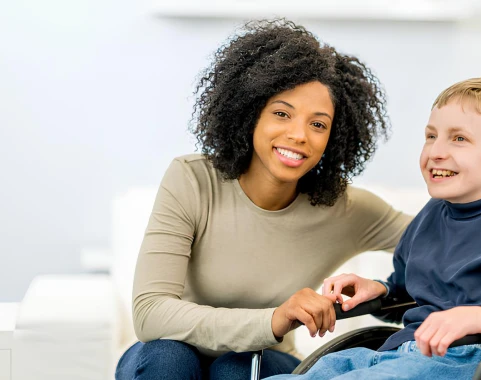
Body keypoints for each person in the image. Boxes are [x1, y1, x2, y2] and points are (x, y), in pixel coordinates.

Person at [114, 19, 414, 380]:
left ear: (334, 138)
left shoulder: (350, 210)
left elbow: (453, 245)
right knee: (168, 357)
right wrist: (272, 319)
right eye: (282, 114)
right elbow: (151, 313)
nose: (299, 135)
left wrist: (383, 288)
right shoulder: (192, 179)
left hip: (264, 361)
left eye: (318, 124)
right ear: (250, 113)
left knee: (239, 366)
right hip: (167, 352)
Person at [267, 77, 481, 380]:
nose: (436, 152)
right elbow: (413, 297)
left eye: (459, 138)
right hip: (399, 355)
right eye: (431, 136)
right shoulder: (431, 215)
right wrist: (380, 290)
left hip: (475, 358)